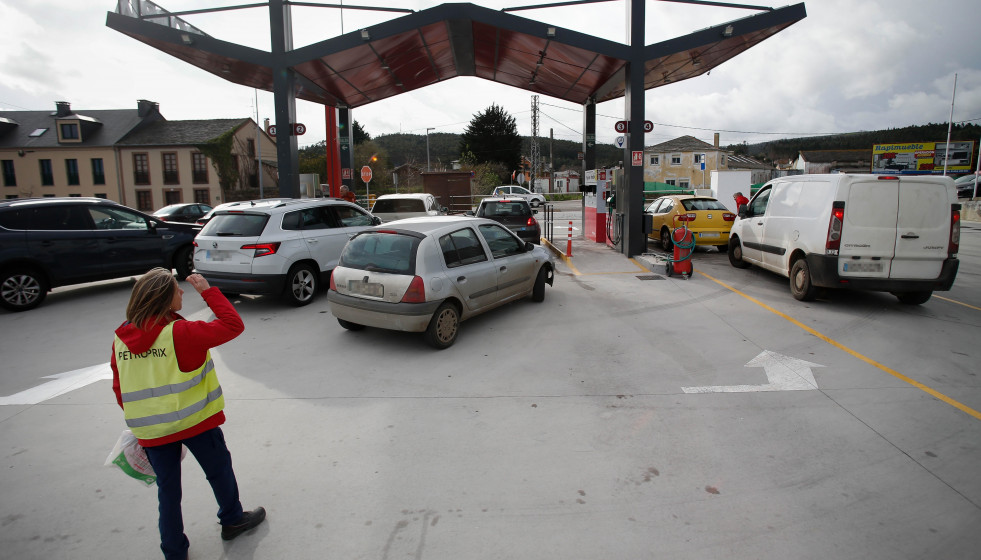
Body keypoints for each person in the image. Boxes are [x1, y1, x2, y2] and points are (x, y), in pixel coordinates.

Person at [111, 269, 265, 560]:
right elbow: (233, 324)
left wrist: (148, 420)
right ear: (163, 298)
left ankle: (174, 551)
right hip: (195, 423)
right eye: (176, 289)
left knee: (168, 492)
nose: (182, 292)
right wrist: (208, 291)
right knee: (218, 470)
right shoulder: (180, 333)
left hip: (152, 432)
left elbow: (120, 388)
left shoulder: (121, 338)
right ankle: (232, 520)